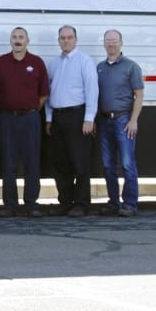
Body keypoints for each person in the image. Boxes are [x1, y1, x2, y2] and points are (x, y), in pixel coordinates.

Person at [0, 27, 49, 218]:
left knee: (32, 162)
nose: (18, 40)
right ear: (10, 41)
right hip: (7, 118)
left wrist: (29, 110)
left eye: (21, 37)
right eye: (14, 37)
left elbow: (44, 94)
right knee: (8, 162)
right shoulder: (1, 63)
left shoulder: (37, 63)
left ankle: (31, 204)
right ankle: (10, 205)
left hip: (30, 119)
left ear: (27, 41)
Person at [45, 24, 99, 217]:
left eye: (69, 37)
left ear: (76, 39)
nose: (66, 40)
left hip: (78, 116)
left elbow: (92, 90)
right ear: (58, 40)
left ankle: (82, 203)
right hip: (58, 117)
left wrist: (89, 118)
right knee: (60, 163)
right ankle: (65, 202)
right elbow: (50, 92)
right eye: (62, 38)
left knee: (80, 162)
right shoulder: (54, 63)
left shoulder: (85, 61)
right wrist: (49, 118)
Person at [96, 29, 145, 217]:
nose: (111, 44)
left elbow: (139, 94)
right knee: (108, 165)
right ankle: (113, 203)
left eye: (114, 41)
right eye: (108, 41)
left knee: (127, 164)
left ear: (121, 43)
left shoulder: (131, 67)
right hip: (104, 121)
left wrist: (134, 120)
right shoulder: (99, 68)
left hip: (124, 120)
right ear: (104, 44)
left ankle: (130, 204)